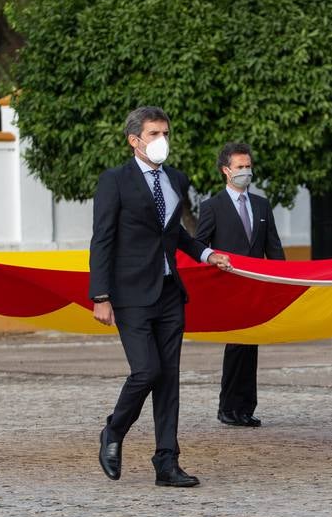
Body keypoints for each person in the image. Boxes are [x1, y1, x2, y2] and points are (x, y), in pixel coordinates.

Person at [90, 106, 233, 487]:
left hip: (170, 293)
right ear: (134, 140)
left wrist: (206, 253)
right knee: (146, 371)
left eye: (165, 132)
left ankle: (167, 462)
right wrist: (100, 296)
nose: (162, 140)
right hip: (131, 293)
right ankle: (114, 431)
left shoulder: (175, 179)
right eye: (154, 134)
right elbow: (101, 239)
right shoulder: (114, 180)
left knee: (168, 378)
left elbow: (178, 234)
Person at [195, 141, 285, 427]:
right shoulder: (212, 206)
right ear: (226, 170)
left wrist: (282, 281)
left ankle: (246, 407)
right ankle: (228, 407)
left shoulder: (261, 204)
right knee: (235, 346)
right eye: (240, 167)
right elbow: (198, 246)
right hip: (228, 287)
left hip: (256, 287)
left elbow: (274, 246)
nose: (245, 171)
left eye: (248, 166)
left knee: (250, 346)